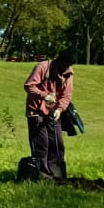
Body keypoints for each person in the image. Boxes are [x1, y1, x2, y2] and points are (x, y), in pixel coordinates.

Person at [23, 49, 75, 179]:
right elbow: (29, 85)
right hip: (36, 112)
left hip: (54, 113)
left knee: (57, 145)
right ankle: (43, 177)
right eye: (64, 64)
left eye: (68, 65)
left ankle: (57, 176)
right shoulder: (43, 67)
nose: (66, 67)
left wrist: (59, 109)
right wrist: (44, 96)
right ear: (59, 59)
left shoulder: (69, 73)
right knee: (42, 145)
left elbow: (66, 95)